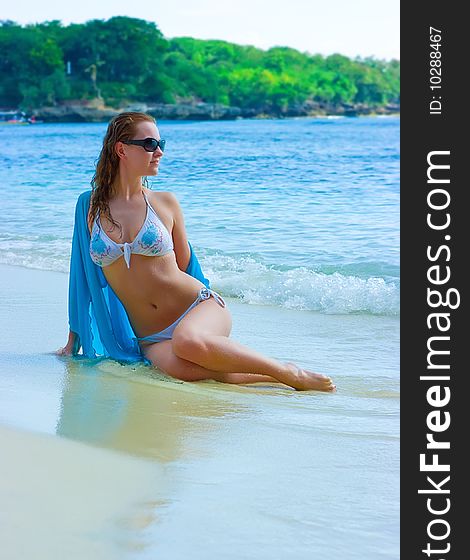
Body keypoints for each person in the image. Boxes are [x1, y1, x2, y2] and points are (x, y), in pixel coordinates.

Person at [56, 112, 335, 392]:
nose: (160, 152)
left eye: (161, 143)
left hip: (195, 308)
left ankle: (287, 372)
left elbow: (186, 264)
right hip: (151, 337)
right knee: (187, 371)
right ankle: (276, 378)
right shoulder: (89, 206)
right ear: (121, 149)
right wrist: (74, 340)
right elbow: (81, 275)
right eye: (150, 144)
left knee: (188, 342)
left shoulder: (165, 203)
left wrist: (206, 299)